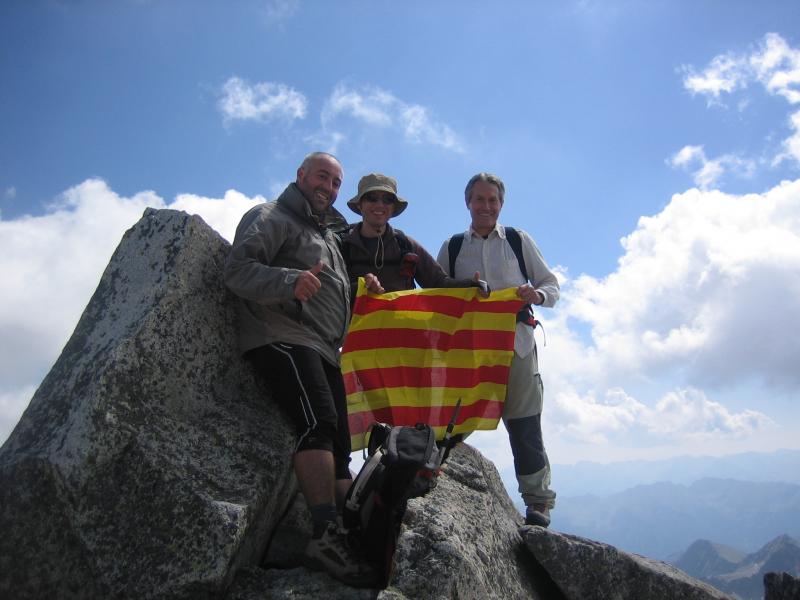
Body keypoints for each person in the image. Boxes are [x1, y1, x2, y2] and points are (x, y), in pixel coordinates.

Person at [224, 152, 382, 587]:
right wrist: (288, 282)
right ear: (301, 176)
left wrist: (359, 292)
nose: (329, 187)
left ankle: (350, 536)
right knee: (317, 424)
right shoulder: (271, 216)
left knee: (340, 443)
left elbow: (326, 289)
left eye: (335, 182)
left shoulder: (325, 234)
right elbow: (237, 270)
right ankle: (324, 537)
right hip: (282, 333)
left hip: (323, 347)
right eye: (322, 177)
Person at [437, 172, 560, 528]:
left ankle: (538, 503)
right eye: (479, 199)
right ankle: (430, 474)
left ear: (501, 204)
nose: (486, 206)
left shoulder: (519, 241)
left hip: (517, 345)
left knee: (524, 424)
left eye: (492, 200)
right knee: (455, 419)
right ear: (468, 203)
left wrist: (536, 295)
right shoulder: (454, 246)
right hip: (471, 350)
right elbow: (438, 292)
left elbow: (550, 284)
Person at [340, 172, 485, 300]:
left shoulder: (407, 245)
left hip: (399, 330)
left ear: (393, 208)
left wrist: (470, 285)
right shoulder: (341, 244)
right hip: (353, 330)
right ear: (360, 205)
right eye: (372, 198)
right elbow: (330, 290)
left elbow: (438, 283)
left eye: (387, 200)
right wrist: (358, 288)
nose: (380, 204)